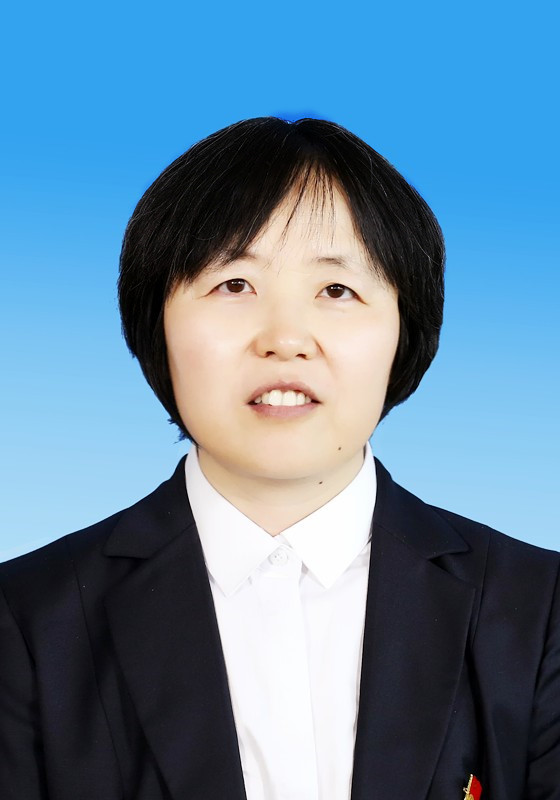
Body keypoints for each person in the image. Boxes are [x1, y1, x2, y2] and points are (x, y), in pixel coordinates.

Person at [0, 117, 558, 800]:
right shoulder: (25, 621)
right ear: (156, 323)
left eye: (336, 291)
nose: (286, 338)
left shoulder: (540, 613)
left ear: (405, 329)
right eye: (235, 285)